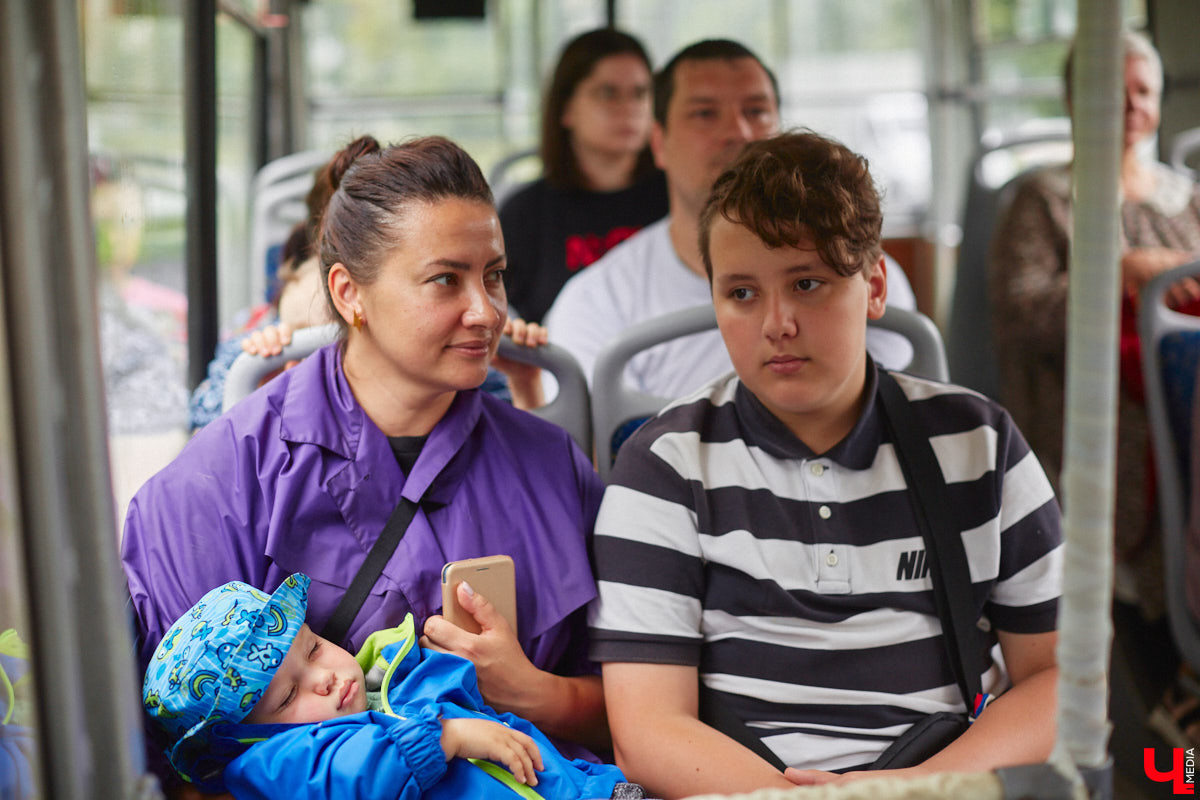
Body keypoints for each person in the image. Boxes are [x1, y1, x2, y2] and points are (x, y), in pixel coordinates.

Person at [122, 135, 608, 792]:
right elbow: (184, 759)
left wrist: (531, 692)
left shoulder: (553, 469)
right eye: (446, 279)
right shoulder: (218, 487)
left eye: (493, 276)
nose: (486, 311)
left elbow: (637, 706)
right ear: (349, 293)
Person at [588, 131, 1063, 798]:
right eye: (743, 294)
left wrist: (910, 790)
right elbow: (646, 730)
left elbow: (1055, 677)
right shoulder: (665, 468)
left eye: (807, 283)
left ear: (872, 288)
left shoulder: (978, 445)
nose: (777, 322)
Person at [544, 39, 918, 399]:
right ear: (658, 143)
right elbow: (592, 456)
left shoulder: (856, 276)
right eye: (705, 114)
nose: (738, 133)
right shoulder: (596, 301)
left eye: (756, 111)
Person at [991, 31, 1200, 624]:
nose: (1132, 106)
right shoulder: (1044, 200)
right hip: (1088, 408)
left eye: (1144, 92)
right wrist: (1118, 273)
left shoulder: (1187, 199)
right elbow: (1018, 312)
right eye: (1114, 90)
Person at [142, 574, 630, 799]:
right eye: (288, 696)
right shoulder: (280, 766)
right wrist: (446, 737)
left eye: (312, 649)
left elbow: (477, 708)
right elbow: (354, 776)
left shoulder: (383, 675)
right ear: (243, 739)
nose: (324, 677)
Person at [499, 28, 667, 324]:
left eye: (640, 93)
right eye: (608, 93)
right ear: (566, 109)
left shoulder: (677, 198)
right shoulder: (525, 213)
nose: (628, 109)